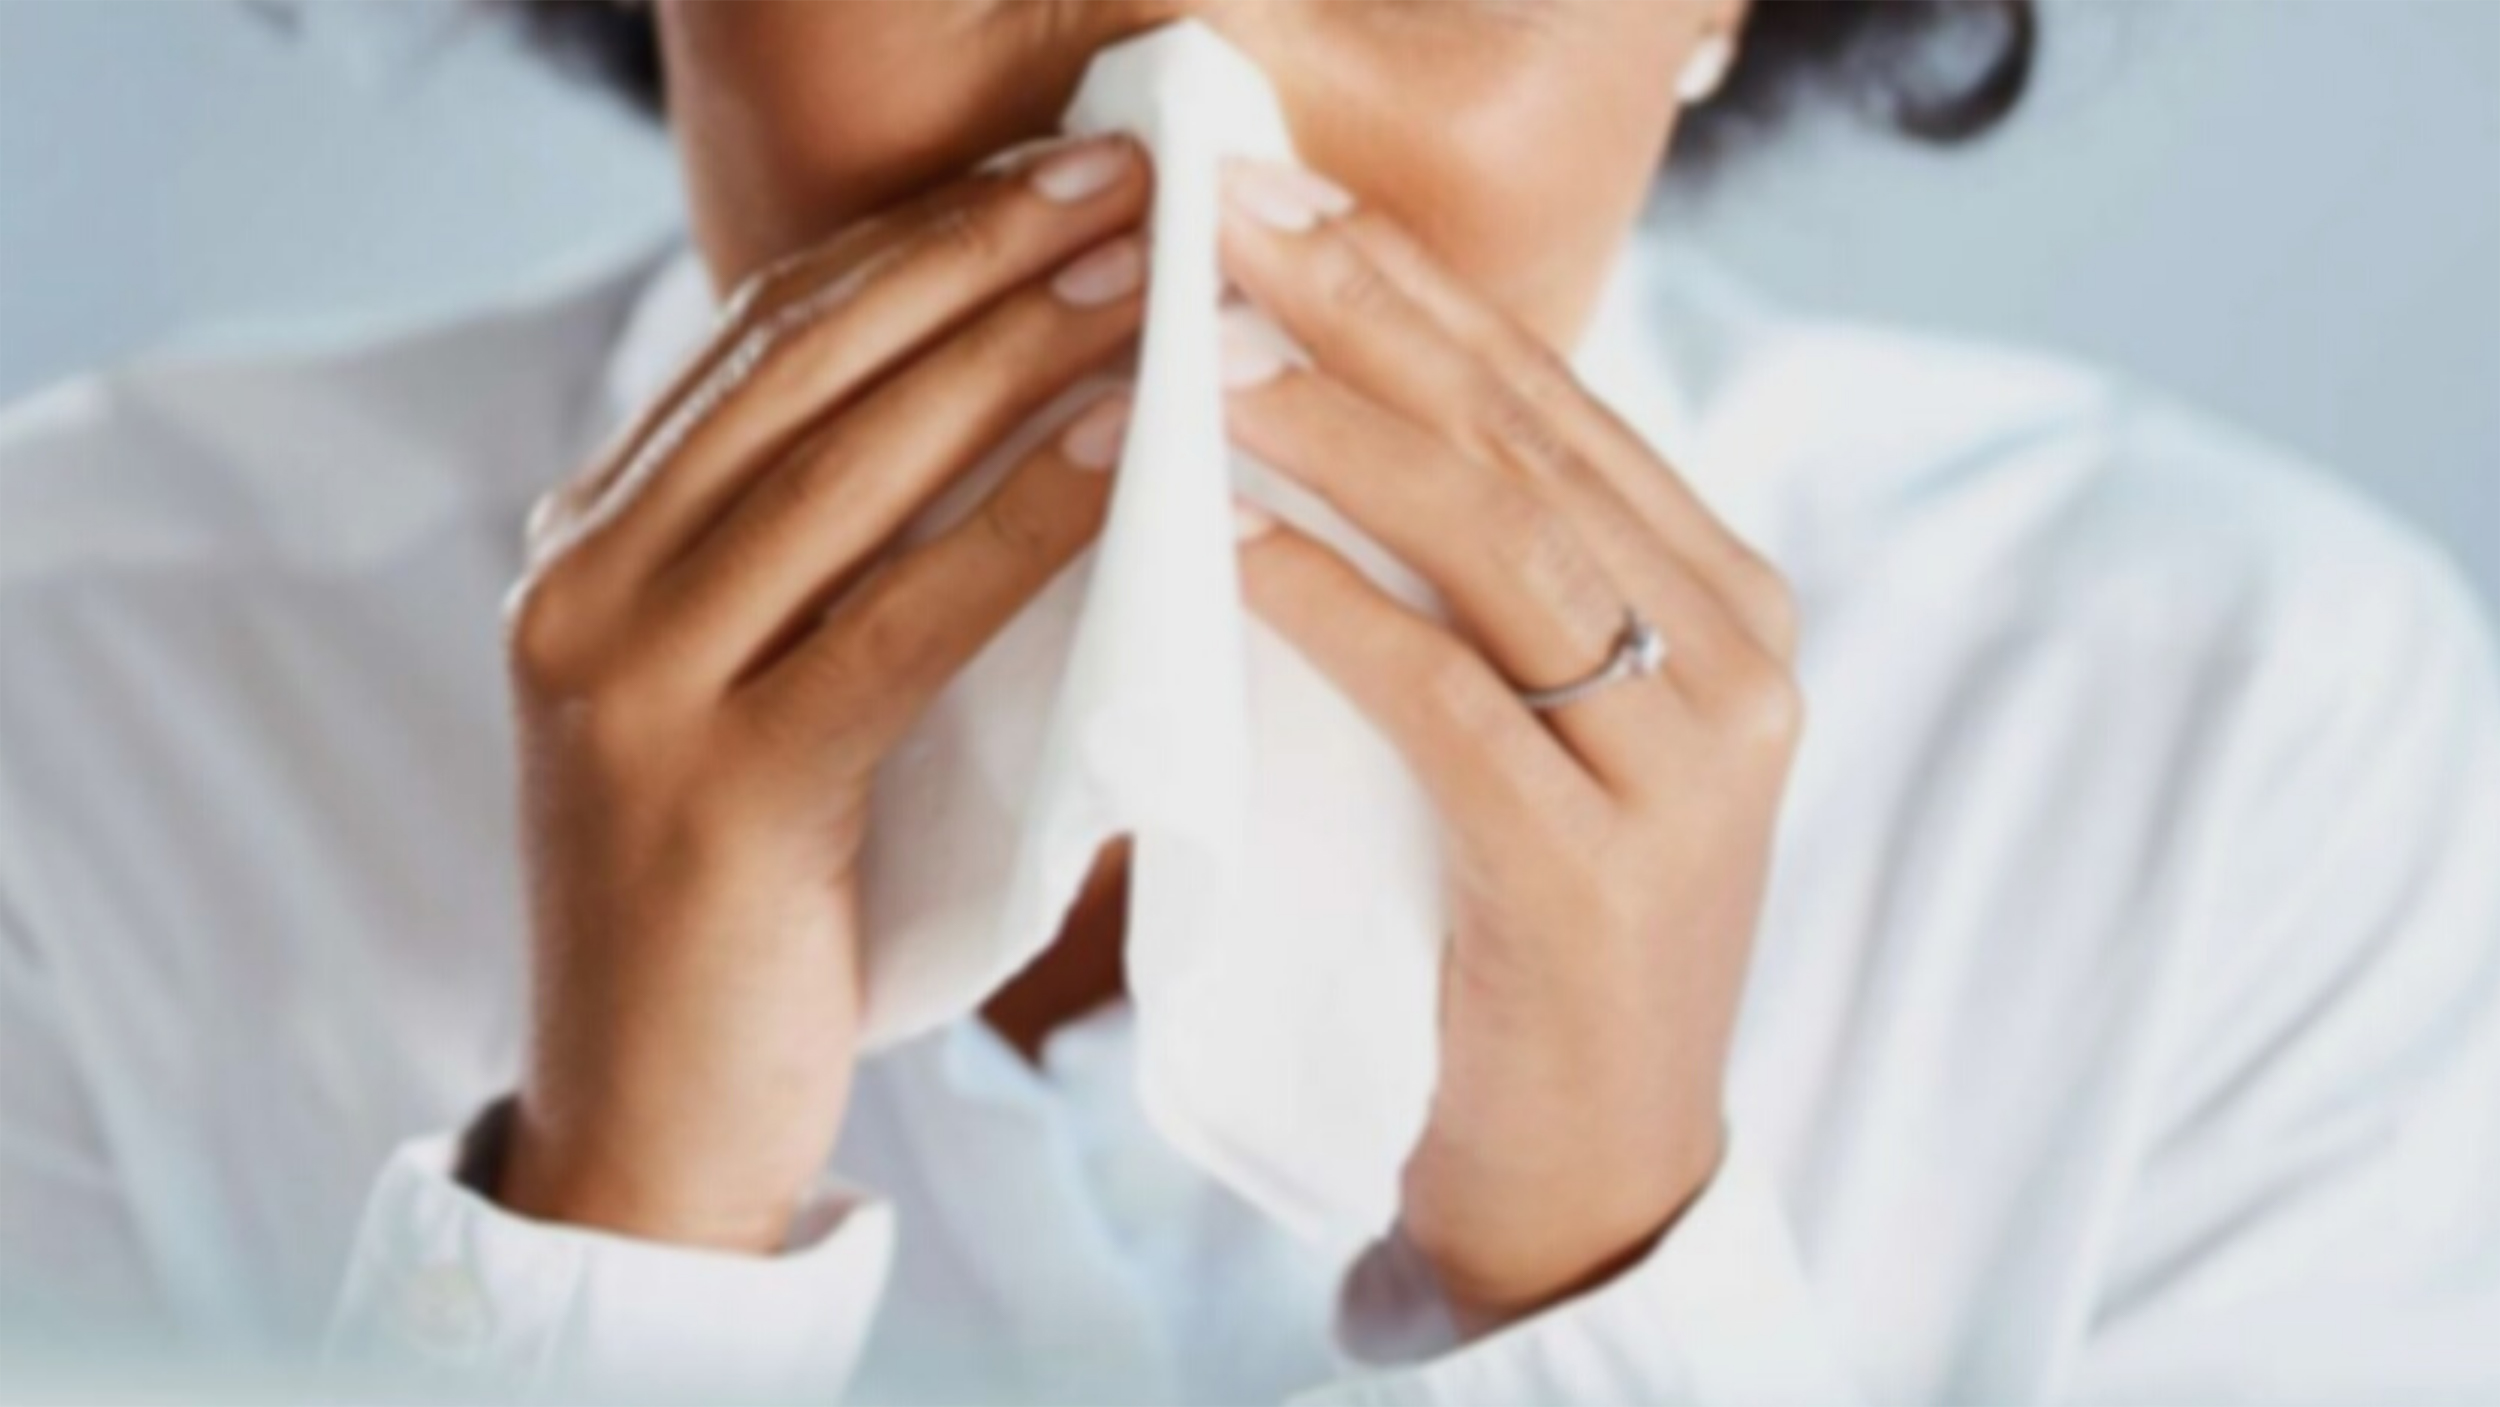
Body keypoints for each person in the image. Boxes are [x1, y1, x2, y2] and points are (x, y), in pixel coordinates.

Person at [3, 2, 2495, 1403]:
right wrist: (599, 1240)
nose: (1179, 111)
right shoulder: (83, 689)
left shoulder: (2228, 757)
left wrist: (1601, 1267)